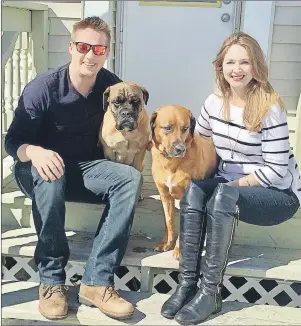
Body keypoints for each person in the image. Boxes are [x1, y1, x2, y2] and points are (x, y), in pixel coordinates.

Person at [5, 16, 142, 321]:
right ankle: (52, 281)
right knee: (50, 175)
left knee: (130, 179)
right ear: (71, 47)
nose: (89, 55)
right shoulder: (44, 88)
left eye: (98, 49)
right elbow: (13, 141)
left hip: (85, 168)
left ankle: (97, 281)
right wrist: (37, 152)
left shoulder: (111, 86)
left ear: (107, 52)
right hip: (37, 168)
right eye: (83, 46)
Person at [161, 32, 301, 325]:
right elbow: (201, 148)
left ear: (256, 67)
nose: (237, 69)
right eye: (230, 62)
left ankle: (210, 292)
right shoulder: (213, 104)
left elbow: (276, 170)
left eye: (244, 62)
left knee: (222, 193)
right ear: (220, 67)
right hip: (231, 187)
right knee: (196, 189)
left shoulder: (269, 107)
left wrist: (230, 186)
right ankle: (187, 284)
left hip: (277, 195)